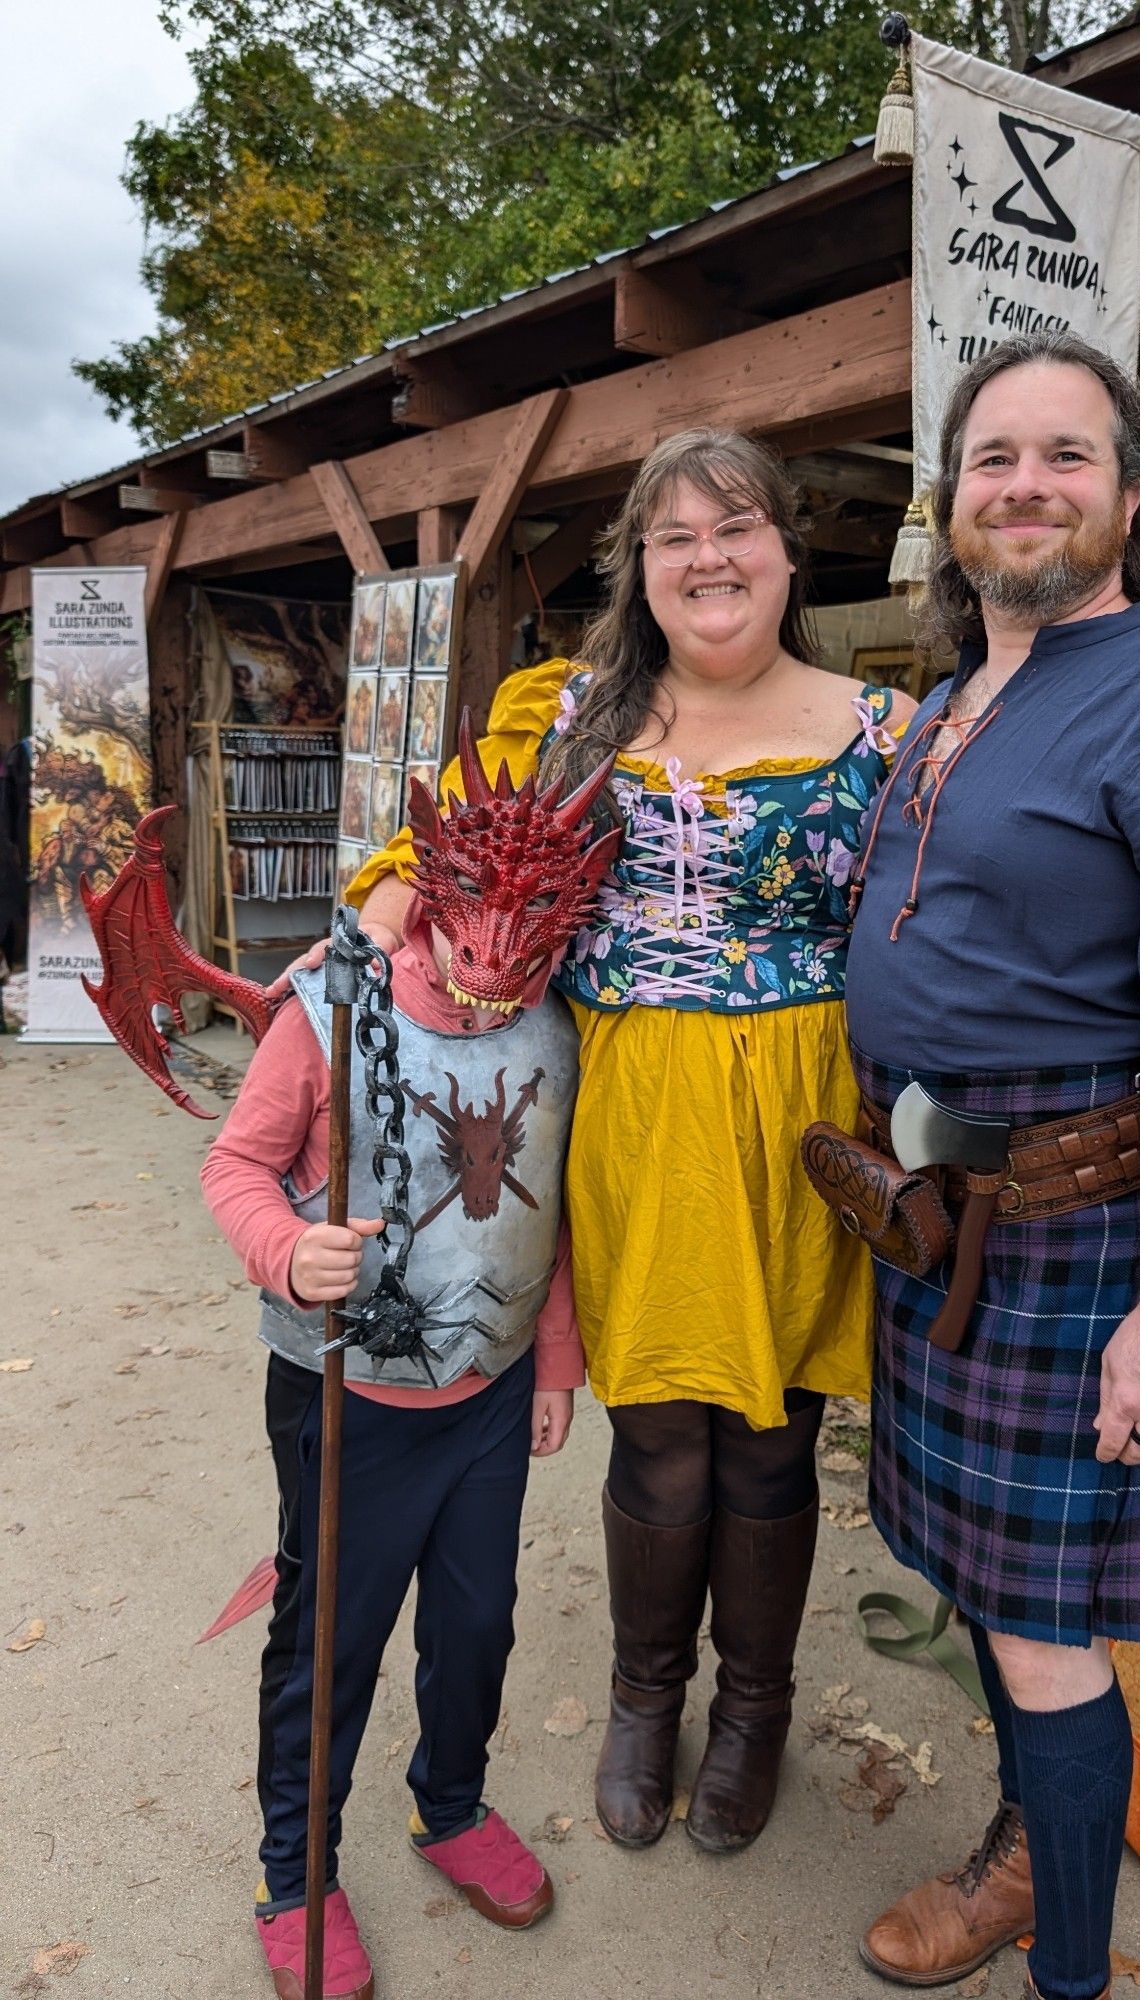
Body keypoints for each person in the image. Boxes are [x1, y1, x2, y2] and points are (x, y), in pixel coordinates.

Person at [344, 428, 916, 1854]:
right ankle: (644, 1699)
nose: (709, 558)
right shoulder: (567, 718)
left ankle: (755, 1711)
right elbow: (421, 878)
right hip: (628, 1111)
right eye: (675, 537)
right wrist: (344, 1008)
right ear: (640, 569)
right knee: (659, 1429)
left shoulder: (891, 735)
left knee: (773, 1438)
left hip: (800, 1126)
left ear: (789, 549)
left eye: (736, 527)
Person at [844, 333, 1140, 2000]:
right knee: (989, 1589)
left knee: (1045, 1635)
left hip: (1080, 1234)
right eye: (993, 458)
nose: (1024, 485)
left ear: (1129, 496)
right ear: (951, 496)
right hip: (948, 1220)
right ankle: (1033, 1853)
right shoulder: (957, 692)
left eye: (1064, 456)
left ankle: (1070, 1966)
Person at [203, 734, 619, 2000]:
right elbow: (236, 1165)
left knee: (476, 1620)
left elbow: (538, 1213)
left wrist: (552, 1363)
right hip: (349, 1401)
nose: (495, 975)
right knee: (327, 1643)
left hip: (487, 1397)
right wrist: (286, 1248)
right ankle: (296, 1867)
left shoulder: (558, 1023)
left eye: (527, 946)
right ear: (432, 896)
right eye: (473, 937)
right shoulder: (334, 1005)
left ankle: (448, 1802)